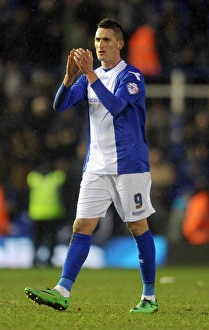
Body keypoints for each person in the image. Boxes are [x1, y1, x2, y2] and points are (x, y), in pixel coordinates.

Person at [24, 18, 158, 314]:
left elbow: (116, 107)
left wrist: (89, 76)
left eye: (107, 40)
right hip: (96, 166)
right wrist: (69, 77)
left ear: (120, 44)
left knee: (137, 226)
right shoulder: (89, 76)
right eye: (97, 40)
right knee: (81, 225)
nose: (100, 45)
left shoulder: (131, 76)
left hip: (129, 166)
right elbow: (60, 105)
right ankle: (62, 290)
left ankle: (149, 297)